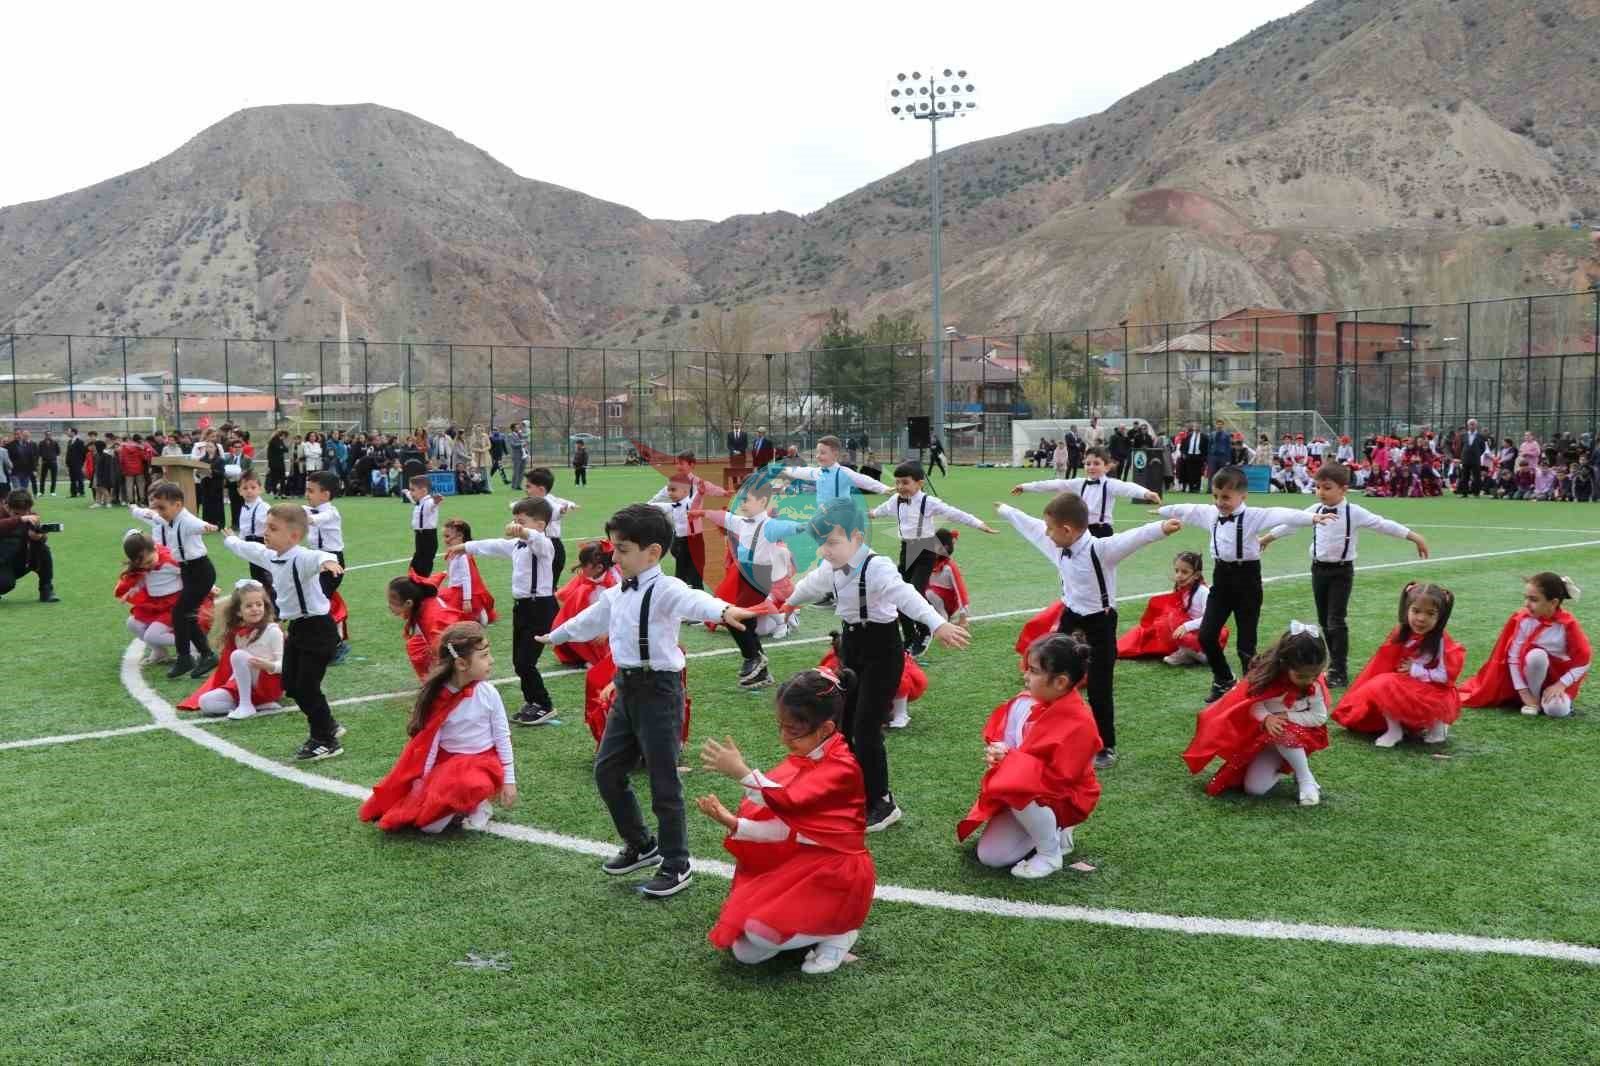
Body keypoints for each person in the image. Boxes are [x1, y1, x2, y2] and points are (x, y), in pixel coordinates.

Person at [540, 503, 759, 898]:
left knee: (663, 782)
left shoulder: (667, 588)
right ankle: (642, 845)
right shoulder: (617, 591)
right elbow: (591, 619)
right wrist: (555, 636)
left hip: (660, 690)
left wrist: (724, 609)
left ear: (653, 553)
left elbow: (696, 600)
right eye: (615, 548)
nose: (615, 556)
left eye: (622, 549)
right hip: (626, 690)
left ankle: (677, 864)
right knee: (607, 772)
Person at [783, 498, 971, 830]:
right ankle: (855, 788)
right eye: (821, 544)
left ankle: (882, 802)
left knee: (866, 729)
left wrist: (936, 623)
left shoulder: (877, 566)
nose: (825, 551)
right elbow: (811, 584)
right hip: (851, 647)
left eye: (831, 543)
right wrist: (787, 603)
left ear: (856, 537)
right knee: (844, 725)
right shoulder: (831, 566)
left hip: (882, 651)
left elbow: (906, 595)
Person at [696, 667, 874, 974]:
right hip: (803, 863)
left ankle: (839, 932)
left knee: (757, 932)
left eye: (793, 730)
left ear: (826, 728)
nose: (784, 737)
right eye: (781, 727)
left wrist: (741, 772)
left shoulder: (842, 767)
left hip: (836, 872)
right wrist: (734, 823)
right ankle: (812, 926)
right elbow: (789, 829)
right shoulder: (807, 758)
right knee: (745, 951)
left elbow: (788, 802)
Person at [998, 493, 1180, 769]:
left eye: (1051, 528)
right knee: (1049, 669)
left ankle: (1106, 745)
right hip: (1071, 616)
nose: (1046, 533)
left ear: (1067, 530)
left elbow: (1131, 538)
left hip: (1100, 622)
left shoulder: (1101, 549)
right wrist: (1007, 510)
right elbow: (1031, 526)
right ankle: (1046, 730)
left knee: (1099, 685)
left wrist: (1160, 529)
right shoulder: (1056, 544)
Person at [1158, 466, 1334, 701]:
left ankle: (1251, 688)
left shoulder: (1253, 516)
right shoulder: (1211, 514)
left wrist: (1312, 517)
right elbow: (1187, 509)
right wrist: (1162, 510)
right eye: (1217, 496)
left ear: (1243, 496)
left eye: (1226, 497)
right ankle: (1223, 679)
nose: (1220, 502)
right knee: (1207, 635)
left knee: (1246, 644)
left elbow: (1282, 514)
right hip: (1221, 579)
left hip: (1247, 580)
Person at [1257, 462, 1429, 687]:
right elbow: (1292, 524)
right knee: (1324, 620)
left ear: (1343, 489)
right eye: (1317, 487)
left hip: (1341, 571)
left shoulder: (1354, 512)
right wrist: (1267, 539)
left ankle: (1340, 669)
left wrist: (1414, 536)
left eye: (1327, 488)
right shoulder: (1315, 510)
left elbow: (1382, 524)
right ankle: (1332, 664)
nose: (1321, 493)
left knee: (1335, 620)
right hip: (1318, 569)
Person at [957, 633, 1101, 879]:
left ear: (1060, 682)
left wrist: (1010, 761)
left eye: (1034, 671)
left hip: (1063, 797)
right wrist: (1000, 752)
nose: (1025, 676)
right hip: (1031, 793)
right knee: (991, 856)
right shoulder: (1025, 702)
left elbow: (1060, 780)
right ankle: (1053, 832)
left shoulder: (1080, 723)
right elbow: (1010, 742)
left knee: (1017, 784)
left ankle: (1049, 853)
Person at [360, 622, 517, 833]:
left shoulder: (489, 693)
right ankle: (458, 805)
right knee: (430, 827)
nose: (492, 660)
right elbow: (430, 742)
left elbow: (502, 736)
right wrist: (424, 780)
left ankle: (479, 804)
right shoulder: (439, 698)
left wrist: (509, 780)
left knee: (469, 783)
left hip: (483, 762)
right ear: (461, 664)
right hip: (447, 763)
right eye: (484, 655)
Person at [222, 504, 346, 760]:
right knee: (291, 684)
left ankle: (325, 740)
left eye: (273, 528)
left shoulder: (302, 557)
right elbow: (249, 549)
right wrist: (232, 539)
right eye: (266, 526)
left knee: (307, 686)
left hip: (318, 629)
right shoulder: (271, 555)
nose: (265, 532)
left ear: (294, 536)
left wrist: (329, 562)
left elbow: (319, 556)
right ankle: (328, 724)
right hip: (298, 629)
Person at [1181, 624, 1331, 806]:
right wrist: (1267, 718)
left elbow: (1319, 717)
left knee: (1283, 730)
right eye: (1301, 676)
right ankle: (1292, 766)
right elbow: (1252, 706)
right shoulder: (1266, 677)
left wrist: (1285, 716)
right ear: (1285, 664)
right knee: (1255, 789)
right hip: (1263, 738)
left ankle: (1305, 777)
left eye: (1314, 675)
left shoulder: (1314, 686)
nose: (1308, 680)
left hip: (1298, 735)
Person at [452, 497, 559, 725]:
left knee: (525, 661)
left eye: (521, 520)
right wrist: (463, 547)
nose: (515, 524)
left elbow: (536, 539)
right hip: (522, 608)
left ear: (540, 525)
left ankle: (544, 704)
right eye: (515, 520)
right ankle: (533, 701)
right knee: (518, 660)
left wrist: (523, 531)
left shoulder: (544, 545)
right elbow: (492, 545)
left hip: (540, 608)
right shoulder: (516, 546)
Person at [872, 460, 995, 657]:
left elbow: (955, 513)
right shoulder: (895, 500)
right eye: (897, 483)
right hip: (906, 548)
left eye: (905, 482)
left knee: (915, 594)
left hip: (926, 549)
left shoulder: (928, 502)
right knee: (899, 594)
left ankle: (925, 631)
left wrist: (979, 524)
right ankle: (910, 638)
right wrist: (866, 514)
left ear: (919, 483)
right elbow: (879, 511)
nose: (900, 487)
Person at [1334, 583, 1463, 746]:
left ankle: (1437, 725)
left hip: (1436, 694)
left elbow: (1445, 676)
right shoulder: (1402, 633)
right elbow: (1384, 661)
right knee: (1383, 684)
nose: (1421, 618)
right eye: (1416, 611)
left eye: (1430, 613)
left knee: (1386, 683)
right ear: (1406, 610)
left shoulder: (1442, 640)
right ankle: (1395, 730)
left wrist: (1415, 669)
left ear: (1440, 617)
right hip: (1412, 688)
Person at [696, 478, 793, 689]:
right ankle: (761, 671)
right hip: (744, 574)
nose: (741, 503)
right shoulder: (742, 521)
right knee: (745, 622)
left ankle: (753, 658)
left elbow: (791, 527)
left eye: (746, 500)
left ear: (762, 501)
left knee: (733, 616)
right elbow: (725, 517)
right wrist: (704, 513)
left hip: (758, 576)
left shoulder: (770, 525)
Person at [1460, 572, 1589, 717]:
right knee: (1536, 656)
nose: (1526, 604)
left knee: (1557, 711)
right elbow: (1513, 657)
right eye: (1526, 598)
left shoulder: (1567, 625)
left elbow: (1584, 661)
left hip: (1557, 677)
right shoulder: (1524, 620)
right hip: (1529, 674)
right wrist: (1524, 691)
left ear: (1553, 603)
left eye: (1533, 599)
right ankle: (1533, 700)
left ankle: (1549, 699)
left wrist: (1561, 685)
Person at [130, 481, 219, 677]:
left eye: (163, 507)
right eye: (158, 507)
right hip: (187, 570)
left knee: (181, 613)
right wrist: (135, 509)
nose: (159, 512)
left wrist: (208, 527)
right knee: (186, 616)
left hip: (199, 570)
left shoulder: (186, 520)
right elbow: (150, 515)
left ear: (177, 505)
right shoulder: (165, 518)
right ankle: (205, 655)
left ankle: (186, 658)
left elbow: (198, 524)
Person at [179, 578, 285, 721]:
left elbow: (285, 665)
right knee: (205, 702)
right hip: (247, 687)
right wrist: (228, 686)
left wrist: (269, 665)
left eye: (259, 604)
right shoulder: (238, 634)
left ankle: (247, 705)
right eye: (249, 606)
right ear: (238, 612)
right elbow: (236, 669)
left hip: (268, 684)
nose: (255, 608)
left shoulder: (272, 631)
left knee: (238, 655)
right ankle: (256, 703)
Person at [1010, 445, 1161, 538]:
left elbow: (1128, 488)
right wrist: (1026, 486)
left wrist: (1146, 493)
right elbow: (1054, 484)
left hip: (1103, 531)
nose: (1091, 467)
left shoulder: (1110, 484)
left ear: (1107, 467)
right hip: (1081, 530)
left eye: (1096, 463)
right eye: (1088, 463)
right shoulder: (1079, 483)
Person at [1116, 550, 1224, 666]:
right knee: (1151, 628)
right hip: (1185, 633)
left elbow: (1209, 618)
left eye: (1184, 572)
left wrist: (1186, 626)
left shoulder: (1204, 592)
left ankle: (1201, 654)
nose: (1178, 575)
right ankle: (1187, 653)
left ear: (1196, 575)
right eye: (1177, 571)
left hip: (1200, 633)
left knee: (1172, 618)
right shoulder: (1181, 590)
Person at [819, 628, 925, 730]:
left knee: (891, 681)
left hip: (909, 681)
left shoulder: (883, 659)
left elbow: (901, 683)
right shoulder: (833, 663)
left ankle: (901, 714)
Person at [303, 471, 351, 664]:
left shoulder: (331, 512)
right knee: (314, 604)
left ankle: (337, 645)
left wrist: (294, 515)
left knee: (318, 605)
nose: (307, 494)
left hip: (333, 563)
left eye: (311, 490)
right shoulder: (307, 509)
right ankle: (320, 641)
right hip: (316, 561)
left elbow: (313, 520)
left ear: (326, 495)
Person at [116, 529, 184, 662]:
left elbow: (191, 573)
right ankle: (160, 653)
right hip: (157, 604)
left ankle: (193, 644)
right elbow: (143, 579)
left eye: (148, 561)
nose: (147, 566)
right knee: (132, 623)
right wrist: (132, 590)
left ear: (155, 548)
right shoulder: (143, 563)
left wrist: (210, 588)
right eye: (141, 565)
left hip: (174, 605)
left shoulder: (169, 561)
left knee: (152, 635)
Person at [387, 574, 467, 679]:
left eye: (392, 603)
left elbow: (451, 646)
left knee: (420, 649)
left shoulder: (432, 619)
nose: (389, 607)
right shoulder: (420, 599)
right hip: (452, 639)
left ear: (408, 603)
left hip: (461, 649)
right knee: (415, 645)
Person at [782, 436, 891, 503]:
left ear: (835, 455)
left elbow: (864, 480)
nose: (817, 456)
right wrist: (783, 470)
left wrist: (884, 488)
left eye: (822, 453)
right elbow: (801, 471)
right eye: (817, 453)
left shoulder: (843, 473)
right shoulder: (817, 472)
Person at [435, 519, 499, 625]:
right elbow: (453, 572)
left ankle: (478, 612)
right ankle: (477, 612)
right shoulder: (454, 552)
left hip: (460, 591)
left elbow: (466, 578)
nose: (444, 540)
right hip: (455, 589)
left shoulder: (463, 556)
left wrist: (467, 600)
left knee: (443, 603)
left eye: (447, 536)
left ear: (460, 536)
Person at [234, 472, 275, 606]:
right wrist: (239, 543)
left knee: (266, 577)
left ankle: (275, 607)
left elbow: (271, 525)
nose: (249, 491)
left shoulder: (264, 507)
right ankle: (266, 604)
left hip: (262, 543)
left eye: (253, 487)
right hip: (250, 543)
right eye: (245, 488)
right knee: (257, 576)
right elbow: (244, 528)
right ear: (239, 491)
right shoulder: (244, 508)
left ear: (260, 489)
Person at [923, 528, 970, 625]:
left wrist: (963, 616)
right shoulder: (927, 562)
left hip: (948, 603)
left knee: (929, 593)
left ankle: (943, 619)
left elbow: (961, 591)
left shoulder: (949, 567)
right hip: (934, 599)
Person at [402, 474, 442, 577]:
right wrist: (407, 493)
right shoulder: (419, 502)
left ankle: (423, 582)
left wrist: (436, 501)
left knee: (425, 563)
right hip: (420, 536)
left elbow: (432, 505)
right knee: (416, 562)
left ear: (423, 491)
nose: (411, 493)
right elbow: (412, 499)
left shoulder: (429, 503)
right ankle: (415, 579)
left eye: (413, 490)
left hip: (428, 537)